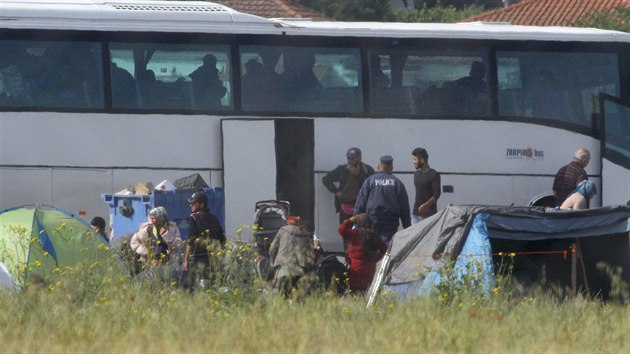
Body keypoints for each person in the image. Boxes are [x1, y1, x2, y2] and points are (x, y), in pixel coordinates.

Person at [354, 155, 411, 244]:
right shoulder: (397, 183)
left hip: (372, 219)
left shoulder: (370, 181)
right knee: (386, 247)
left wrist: (355, 222)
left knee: (371, 244)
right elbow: (404, 207)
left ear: (378, 167)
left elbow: (361, 202)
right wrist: (407, 227)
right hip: (391, 221)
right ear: (391, 167)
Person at [183, 191, 226, 287]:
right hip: (213, 259)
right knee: (213, 283)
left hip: (198, 259)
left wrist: (185, 260)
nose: (191, 205)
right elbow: (222, 239)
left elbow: (191, 240)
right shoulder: (214, 218)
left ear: (202, 204)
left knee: (196, 285)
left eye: (193, 203)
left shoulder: (193, 218)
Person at [269, 216, 317, 300]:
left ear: (288, 222)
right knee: (298, 298)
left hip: (284, 269)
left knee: (283, 295)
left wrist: (272, 260)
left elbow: (272, 247)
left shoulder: (283, 230)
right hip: (300, 270)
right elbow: (311, 254)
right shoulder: (305, 233)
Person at [322, 147, 375, 224]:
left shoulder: (367, 170)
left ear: (359, 158)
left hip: (362, 206)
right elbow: (326, 179)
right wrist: (336, 191)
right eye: (348, 158)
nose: (350, 161)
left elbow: (371, 186)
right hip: (345, 205)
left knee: (361, 232)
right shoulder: (342, 169)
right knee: (346, 231)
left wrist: (358, 175)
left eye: (352, 158)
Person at [337, 213, 387, 293]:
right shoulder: (375, 236)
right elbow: (384, 250)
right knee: (365, 294)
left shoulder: (356, 233)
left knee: (354, 294)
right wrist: (375, 258)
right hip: (370, 270)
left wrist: (350, 221)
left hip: (356, 270)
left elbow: (341, 229)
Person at [411, 148, 441, 224]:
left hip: (429, 216)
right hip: (415, 215)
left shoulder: (434, 175)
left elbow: (436, 194)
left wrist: (426, 205)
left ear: (422, 160)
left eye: (415, 159)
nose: (413, 162)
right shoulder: (416, 174)